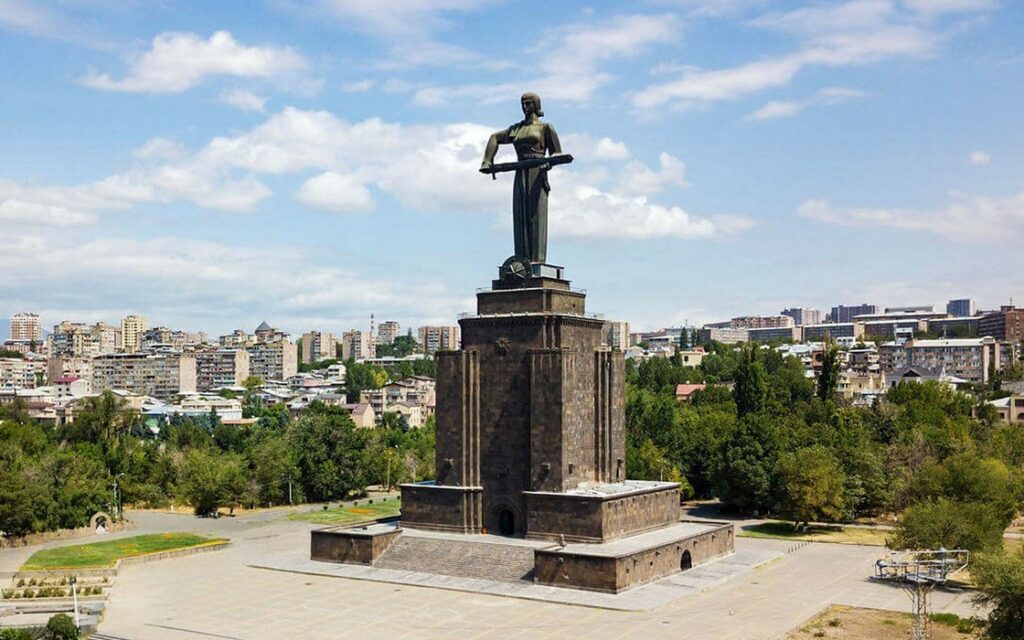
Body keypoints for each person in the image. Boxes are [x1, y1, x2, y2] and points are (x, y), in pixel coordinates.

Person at [479, 92, 562, 264]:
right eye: (523, 103)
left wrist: (549, 164)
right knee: (519, 215)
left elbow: (557, 154)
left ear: (536, 105)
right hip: (520, 173)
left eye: (529, 103)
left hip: (537, 174)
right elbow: (494, 138)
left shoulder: (545, 128)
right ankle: (521, 261)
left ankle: (537, 261)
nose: (525, 107)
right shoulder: (516, 129)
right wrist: (487, 160)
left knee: (535, 215)